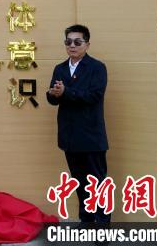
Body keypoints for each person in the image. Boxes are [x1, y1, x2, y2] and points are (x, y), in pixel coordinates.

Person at [46, 24, 110, 226]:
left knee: (97, 183)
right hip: (69, 136)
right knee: (79, 182)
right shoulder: (60, 68)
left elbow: (94, 96)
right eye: (68, 42)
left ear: (87, 44)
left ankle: (102, 226)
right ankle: (87, 221)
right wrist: (52, 94)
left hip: (91, 136)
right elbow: (54, 100)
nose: (72, 46)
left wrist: (66, 92)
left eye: (77, 42)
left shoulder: (97, 67)